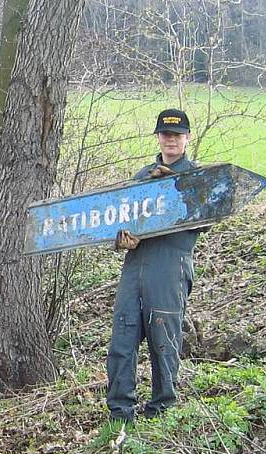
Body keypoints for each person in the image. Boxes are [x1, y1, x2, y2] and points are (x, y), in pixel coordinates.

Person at [107, 108, 202, 422]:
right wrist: (120, 241)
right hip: (135, 268)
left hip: (170, 268)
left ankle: (161, 411)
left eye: (176, 134)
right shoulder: (142, 177)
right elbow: (118, 222)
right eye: (165, 134)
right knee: (122, 340)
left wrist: (176, 185)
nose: (171, 140)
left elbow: (204, 220)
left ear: (187, 137)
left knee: (164, 342)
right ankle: (120, 413)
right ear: (159, 137)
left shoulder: (198, 178)